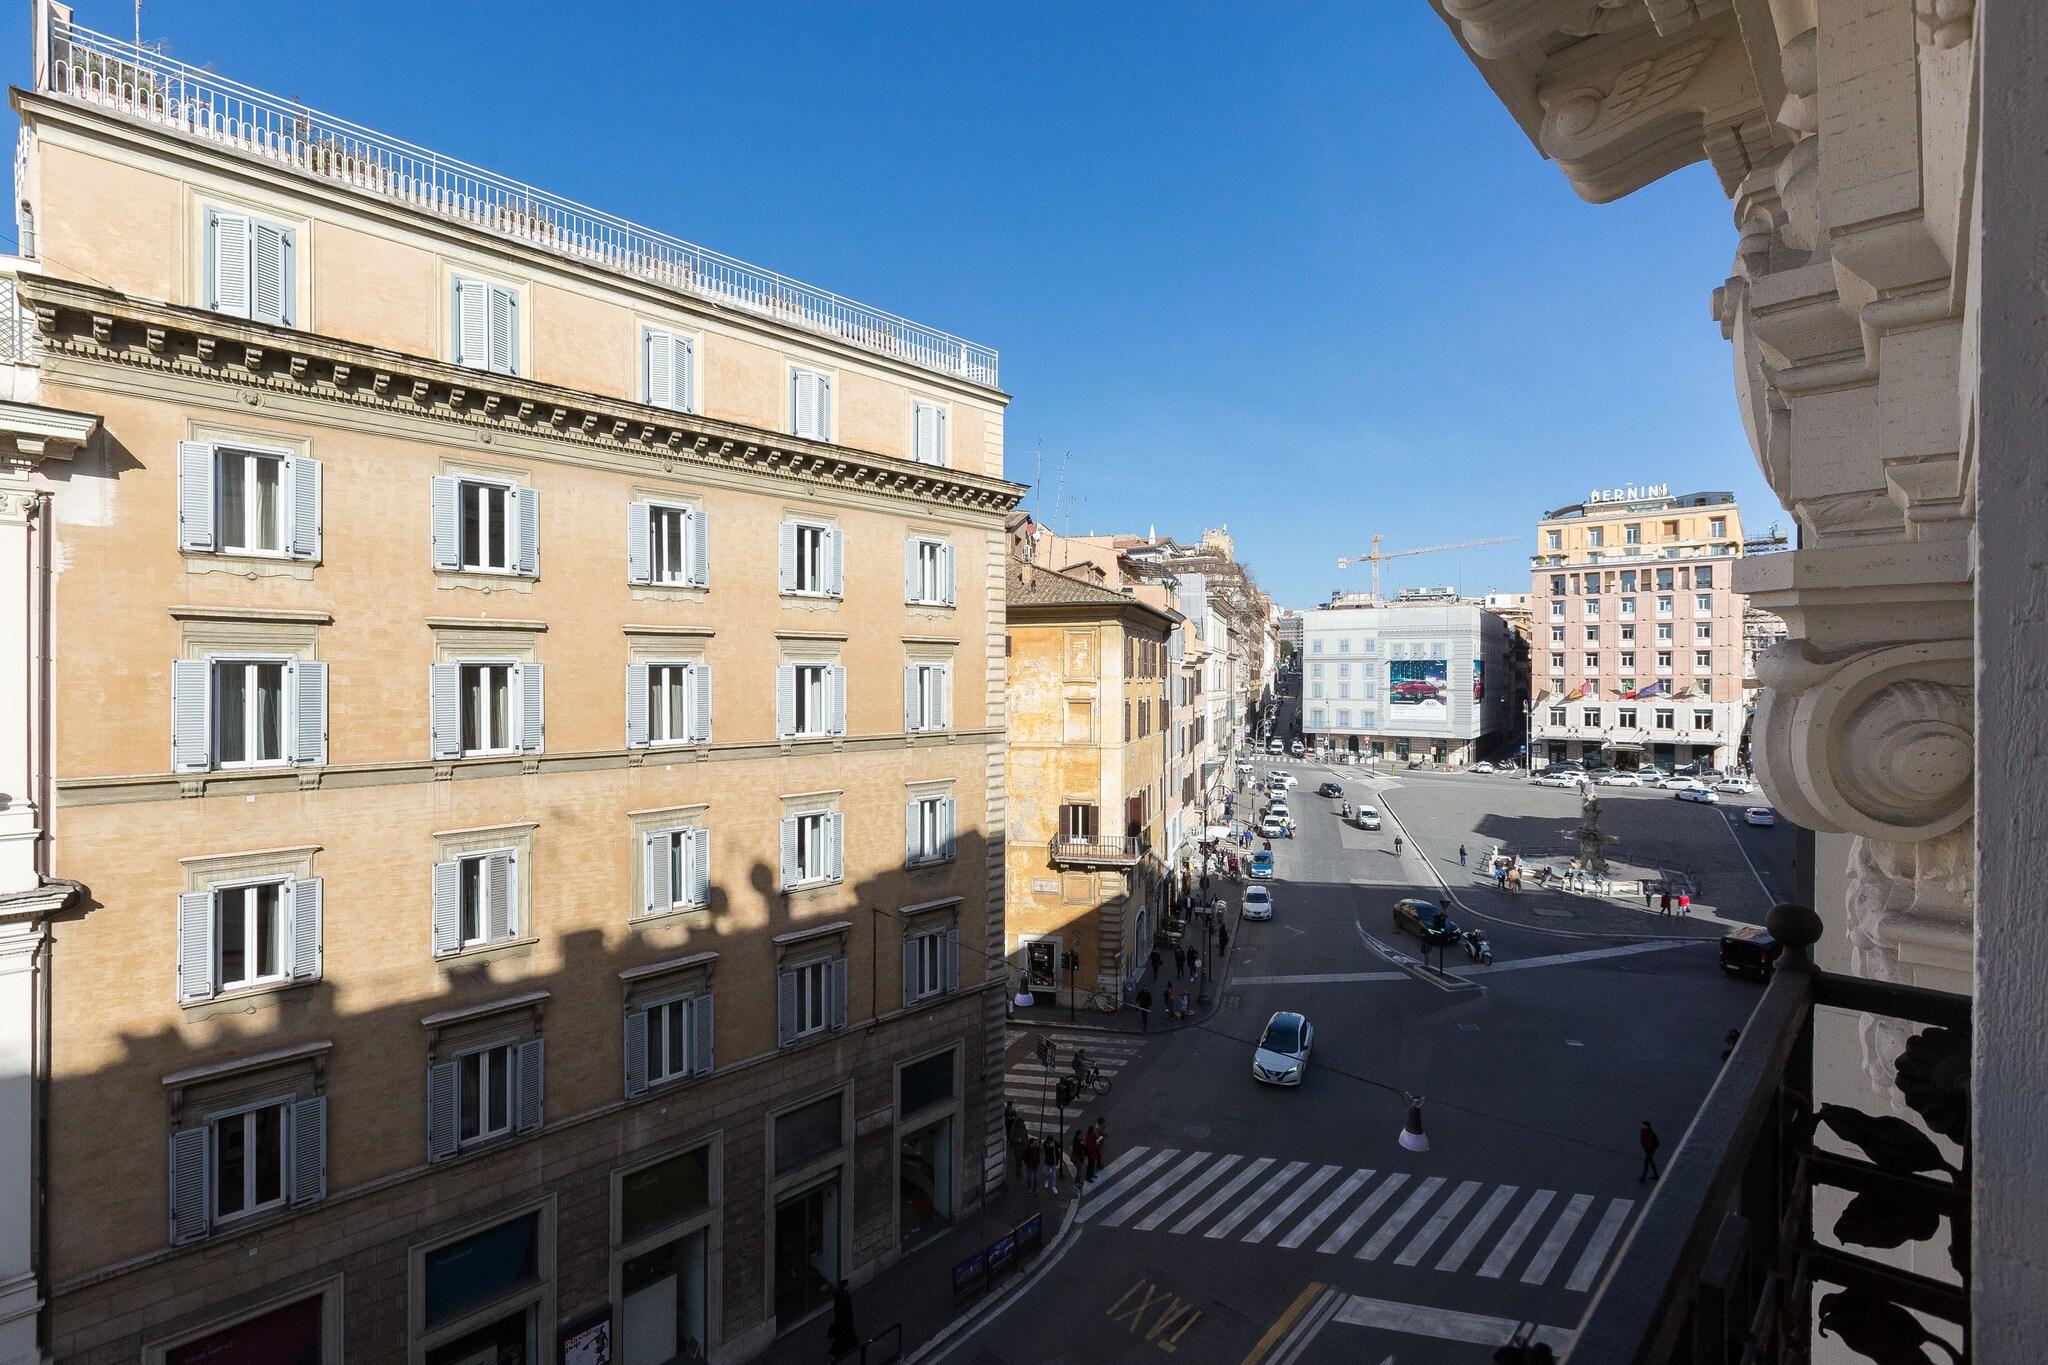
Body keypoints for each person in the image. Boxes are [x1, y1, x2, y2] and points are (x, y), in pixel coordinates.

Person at [828, 1279, 858, 1359]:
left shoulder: (839, 1295)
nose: (849, 1286)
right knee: (841, 1337)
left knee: (845, 1334)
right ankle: (834, 1353)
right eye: (848, 1285)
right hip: (845, 1320)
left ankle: (852, 1344)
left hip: (841, 1319)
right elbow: (847, 1309)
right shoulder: (845, 1297)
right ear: (845, 1287)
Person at [1022, 1127, 1041, 1193]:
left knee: (1036, 1178)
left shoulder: (1036, 1148)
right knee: (1029, 1178)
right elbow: (1024, 1157)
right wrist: (1027, 1163)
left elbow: (1038, 1154)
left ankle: (1035, 1189)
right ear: (1031, 1143)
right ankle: (1029, 1188)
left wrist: (1038, 1161)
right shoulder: (1027, 1150)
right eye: (1034, 1142)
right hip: (1030, 1166)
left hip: (1035, 1165)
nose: (1035, 1143)